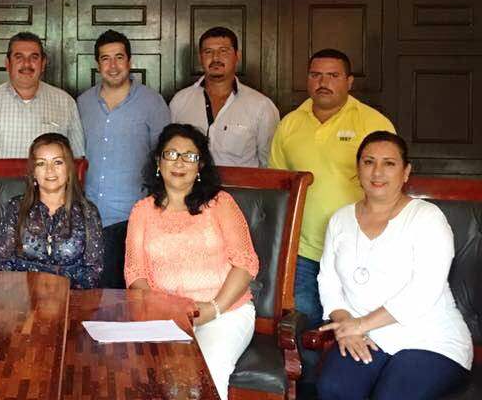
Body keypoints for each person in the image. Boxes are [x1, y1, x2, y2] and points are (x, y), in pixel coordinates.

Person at [316, 131, 471, 399]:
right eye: (368, 162)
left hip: (429, 338)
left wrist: (360, 324)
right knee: (333, 389)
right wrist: (346, 325)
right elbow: (328, 281)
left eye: (389, 163)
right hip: (366, 335)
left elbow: (424, 290)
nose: (377, 172)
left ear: (406, 171)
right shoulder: (340, 219)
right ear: (358, 168)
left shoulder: (427, 218)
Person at [125, 124, 259, 400]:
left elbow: (245, 263)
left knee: (204, 374)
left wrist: (214, 308)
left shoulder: (220, 203)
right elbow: (135, 273)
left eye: (190, 156)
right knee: (145, 376)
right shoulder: (142, 211)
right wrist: (164, 314)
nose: (180, 163)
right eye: (171, 154)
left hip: (224, 313)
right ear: (158, 162)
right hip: (165, 317)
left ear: (201, 165)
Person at [269, 49, 395, 330]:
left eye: (333, 75)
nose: (323, 82)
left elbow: (391, 185)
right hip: (303, 250)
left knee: (355, 324)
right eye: (316, 75)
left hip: (357, 248)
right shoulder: (289, 124)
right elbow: (278, 185)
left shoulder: (373, 123)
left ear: (349, 81)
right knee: (304, 325)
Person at [76, 29, 169, 288]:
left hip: (135, 219)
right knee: (94, 296)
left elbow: (165, 159)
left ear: (130, 61)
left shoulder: (153, 102)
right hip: (88, 217)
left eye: (119, 57)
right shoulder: (82, 103)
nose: (113, 66)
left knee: (131, 295)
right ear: (98, 64)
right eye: (105, 59)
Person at [0, 133, 104, 289]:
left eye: (57, 162)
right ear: (33, 173)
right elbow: (1, 264)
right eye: (41, 163)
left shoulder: (88, 212)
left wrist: (58, 292)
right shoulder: (16, 208)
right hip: (23, 298)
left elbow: (94, 272)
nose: (50, 170)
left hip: (72, 299)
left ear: (69, 169)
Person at [0, 31, 84, 159]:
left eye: (34, 57)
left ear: (43, 64)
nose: (26, 64)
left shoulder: (65, 103)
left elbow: (77, 159)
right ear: (7, 64)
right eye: (19, 57)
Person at [170, 26, 278, 167]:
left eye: (223, 51)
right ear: (200, 58)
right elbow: (169, 152)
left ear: (237, 56)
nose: (215, 58)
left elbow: (269, 163)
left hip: (240, 182)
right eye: (208, 52)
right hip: (192, 181)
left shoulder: (261, 106)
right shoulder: (180, 101)